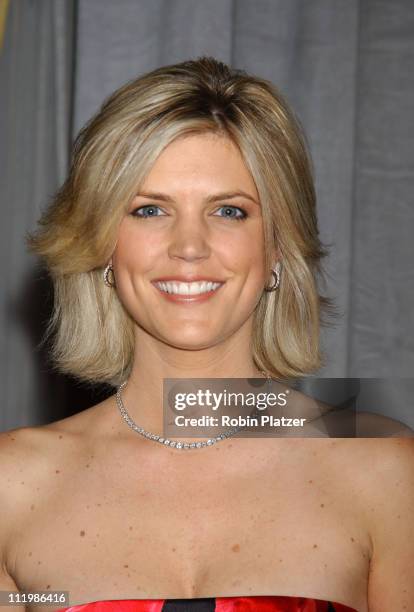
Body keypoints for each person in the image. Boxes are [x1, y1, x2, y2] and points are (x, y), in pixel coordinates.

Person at [0, 57, 412, 612]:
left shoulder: (386, 474)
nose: (189, 247)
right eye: (148, 209)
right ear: (101, 247)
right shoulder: (12, 487)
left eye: (228, 210)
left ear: (277, 251)